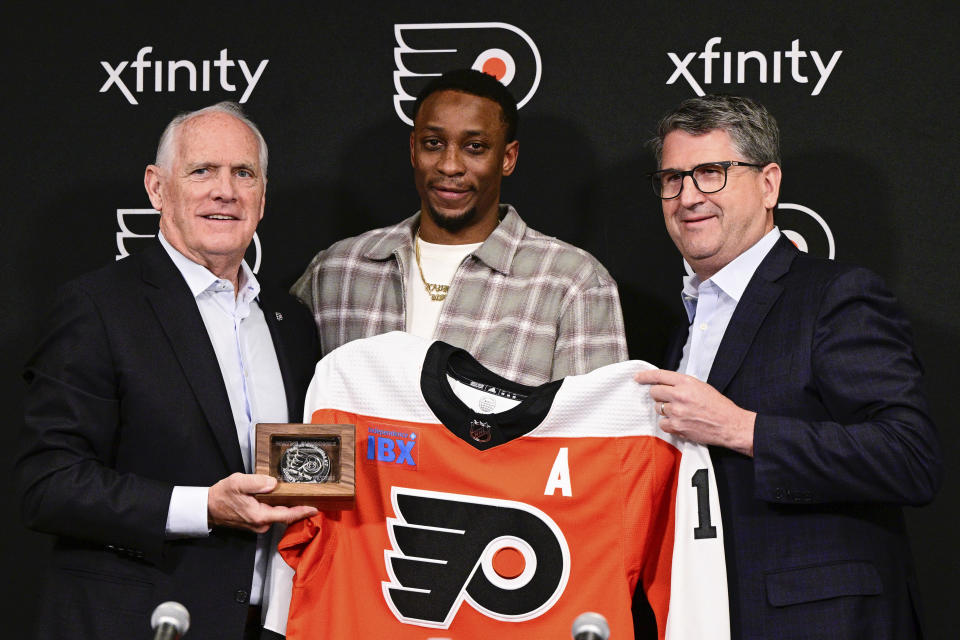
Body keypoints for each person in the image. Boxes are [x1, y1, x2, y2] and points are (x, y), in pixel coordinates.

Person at [634, 94, 942, 639]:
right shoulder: (685, 322)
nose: (687, 197)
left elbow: (908, 457)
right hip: (704, 615)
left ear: (769, 184)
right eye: (673, 179)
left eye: (711, 173)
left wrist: (740, 429)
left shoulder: (836, 296)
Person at [15, 102, 319, 640]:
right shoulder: (99, 306)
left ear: (262, 197)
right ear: (158, 189)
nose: (224, 190)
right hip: (139, 622)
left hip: (270, 625)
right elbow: (49, 483)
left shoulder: (289, 320)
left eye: (243, 173)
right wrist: (203, 506)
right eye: (202, 171)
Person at [291, 68, 627, 385]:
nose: (450, 165)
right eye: (433, 143)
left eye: (474, 148)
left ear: (507, 158)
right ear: (413, 149)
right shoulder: (337, 271)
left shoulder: (572, 283)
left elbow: (596, 439)